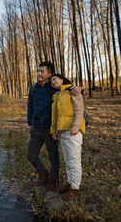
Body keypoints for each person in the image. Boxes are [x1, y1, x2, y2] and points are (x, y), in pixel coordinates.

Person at [27, 62, 81, 192]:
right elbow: (30, 106)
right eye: (38, 71)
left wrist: (80, 88)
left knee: (53, 157)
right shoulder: (33, 89)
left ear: (50, 74)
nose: (39, 74)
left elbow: (69, 88)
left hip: (50, 129)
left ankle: (53, 180)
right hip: (36, 128)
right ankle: (43, 175)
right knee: (32, 155)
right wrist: (29, 123)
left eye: (42, 71)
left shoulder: (53, 87)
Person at [50, 74, 85, 200]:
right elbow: (55, 116)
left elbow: (79, 109)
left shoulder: (73, 91)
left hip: (72, 131)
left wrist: (76, 127)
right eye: (51, 80)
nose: (52, 82)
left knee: (74, 161)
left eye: (55, 79)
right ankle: (70, 184)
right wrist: (54, 131)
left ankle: (75, 189)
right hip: (62, 132)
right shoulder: (56, 96)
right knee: (68, 160)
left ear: (62, 80)